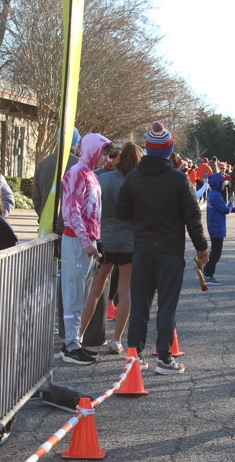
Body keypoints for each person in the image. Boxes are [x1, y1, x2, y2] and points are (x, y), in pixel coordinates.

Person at [117, 121, 209, 375]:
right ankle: (165, 358)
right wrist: (202, 247)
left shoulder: (133, 178)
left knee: (140, 306)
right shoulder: (179, 179)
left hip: (142, 248)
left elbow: (121, 211)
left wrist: (141, 220)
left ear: (147, 149)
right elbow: (192, 218)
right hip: (170, 250)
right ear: (169, 150)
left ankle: (134, 356)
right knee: (167, 306)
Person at [78, 142, 144, 357]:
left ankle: (78, 336)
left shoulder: (102, 178)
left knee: (95, 290)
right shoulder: (138, 183)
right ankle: (116, 339)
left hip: (104, 238)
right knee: (125, 292)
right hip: (129, 241)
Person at [58, 132, 111, 365]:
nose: (106, 158)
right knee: (73, 294)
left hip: (87, 242)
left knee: (82, 295)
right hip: (76, 241)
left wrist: (95, 241)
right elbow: (71, 211)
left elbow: (93, 214)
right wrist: (86, 242)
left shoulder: (91, 175)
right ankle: (70, 346)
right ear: (92, 151)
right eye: (103, 153)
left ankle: (75, 342)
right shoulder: (77, 173)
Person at [203, 172, 235, 286]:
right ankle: (208, 275)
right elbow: (225, 210)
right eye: (223, 181)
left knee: (215, 251)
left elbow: (222, 208)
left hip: (214, 225)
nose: (225, 183)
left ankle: (206, 271)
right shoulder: (216, 195)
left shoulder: (213, 193)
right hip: (217, 226)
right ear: (218, 183)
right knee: (216, 253)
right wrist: (231, 202)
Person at [32, 127, 80, 219]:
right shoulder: (79, 165)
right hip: (72, 222)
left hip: (47, 220)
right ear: (75, 143)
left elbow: (36, 197)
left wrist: (43, 216)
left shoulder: (43, 163)